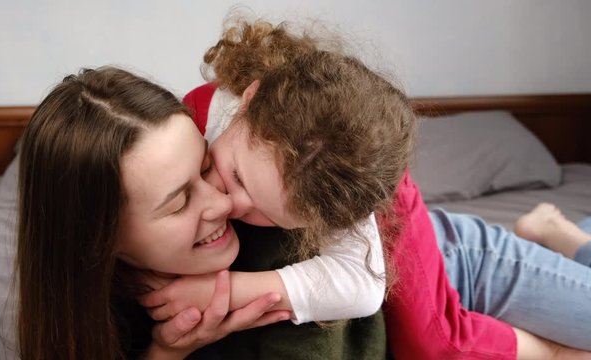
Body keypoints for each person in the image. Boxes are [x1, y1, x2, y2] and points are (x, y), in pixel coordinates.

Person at [146, 18, 591, 359]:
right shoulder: (192, 121)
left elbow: (362, 286)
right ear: (249, 98)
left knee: (437, 346)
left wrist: (229, 290)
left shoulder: (337, 188)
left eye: (268, 212)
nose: (228, 202)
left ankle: (565, 237)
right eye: (238, 177)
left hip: (465, 257)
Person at [15, 67, 291, 360]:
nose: (224, 204)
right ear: (103, 240)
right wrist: (169, 352)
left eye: (206, 167)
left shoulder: (273, 219)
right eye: (179, 204)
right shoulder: (86, 313)